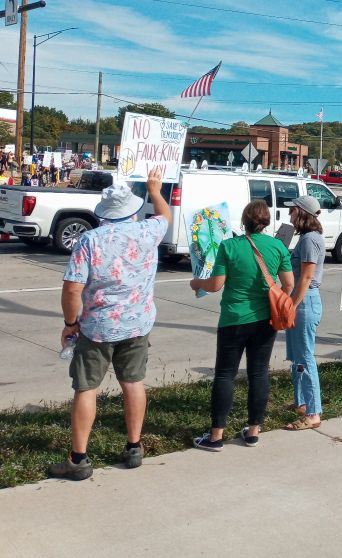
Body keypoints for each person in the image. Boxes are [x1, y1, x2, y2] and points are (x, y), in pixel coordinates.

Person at [49, 171, 170, 480]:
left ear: (104, 213)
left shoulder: (89, 240)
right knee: (133, 382)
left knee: (86, 387)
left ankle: (78, 459)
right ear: (132, 209)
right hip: (137, 323)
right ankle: (133, 447)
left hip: (97, 327)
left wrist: (70, 323)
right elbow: (165, 214)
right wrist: (155, 190)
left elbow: (72, 289)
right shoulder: (148, 232)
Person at [191, 200, 293, 451]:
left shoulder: (229, 246)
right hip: (265, 321)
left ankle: (216, 436)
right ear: (266, 221)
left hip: (234, 319)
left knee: (225, 374)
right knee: (258, 373)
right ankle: (253, 432)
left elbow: (215, 285)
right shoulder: (278, 246)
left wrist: (197, 284)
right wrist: (274, 297)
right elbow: (288, 284)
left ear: (244, 221)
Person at [284, 195, 326, 431]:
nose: (290, 215)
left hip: (305, 302)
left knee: (306, 357)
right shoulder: (308, 238)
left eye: (293, 211)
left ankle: (313, 411)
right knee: (297, 357)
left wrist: (292, 304)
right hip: (300, 301)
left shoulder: (310, 239)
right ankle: (302, 402)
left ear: (302, 213)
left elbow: (307, 277)